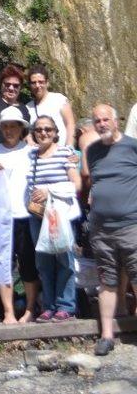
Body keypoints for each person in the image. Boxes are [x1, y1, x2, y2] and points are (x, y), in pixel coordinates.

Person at [81, 104, 137, 355]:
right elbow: (93, 181)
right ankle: (106, 336)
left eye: (106, 119)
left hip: (131, 226)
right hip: (101, 230)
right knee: (107, 282)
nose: (102, 124)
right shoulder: (92, 150)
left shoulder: (132, 146)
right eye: (97, 121)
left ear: (116, 121)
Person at [0, 108, 38, 324]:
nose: (9, 130)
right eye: (5, 126)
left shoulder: (31, 151)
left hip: (25, 215)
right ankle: (8, 312)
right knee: (4, 265)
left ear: (21, 128)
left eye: (13, 126)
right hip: (1, 217)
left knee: (28, 264)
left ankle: (30, 309)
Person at [26, 115, 81, 321]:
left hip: (60, 215)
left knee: (64, 260)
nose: (43, 133)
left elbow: (76, 184)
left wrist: (49, 191)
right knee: (43, 262)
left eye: (48, 129)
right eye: (39, 130)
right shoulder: (31, 155)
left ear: (56, 132)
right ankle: (48, 306)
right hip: (37, 215)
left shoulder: (65, 153)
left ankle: (66, 305)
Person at [26, 65, 75, 146]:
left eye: (41, 82)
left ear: (47, 82)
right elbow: (27, 132)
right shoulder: (28, 107)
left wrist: (69, 146)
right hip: (38, 155)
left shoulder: (59, 99)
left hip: (61, 151)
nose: (37, 86)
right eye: (34, 83)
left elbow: (70, 124)